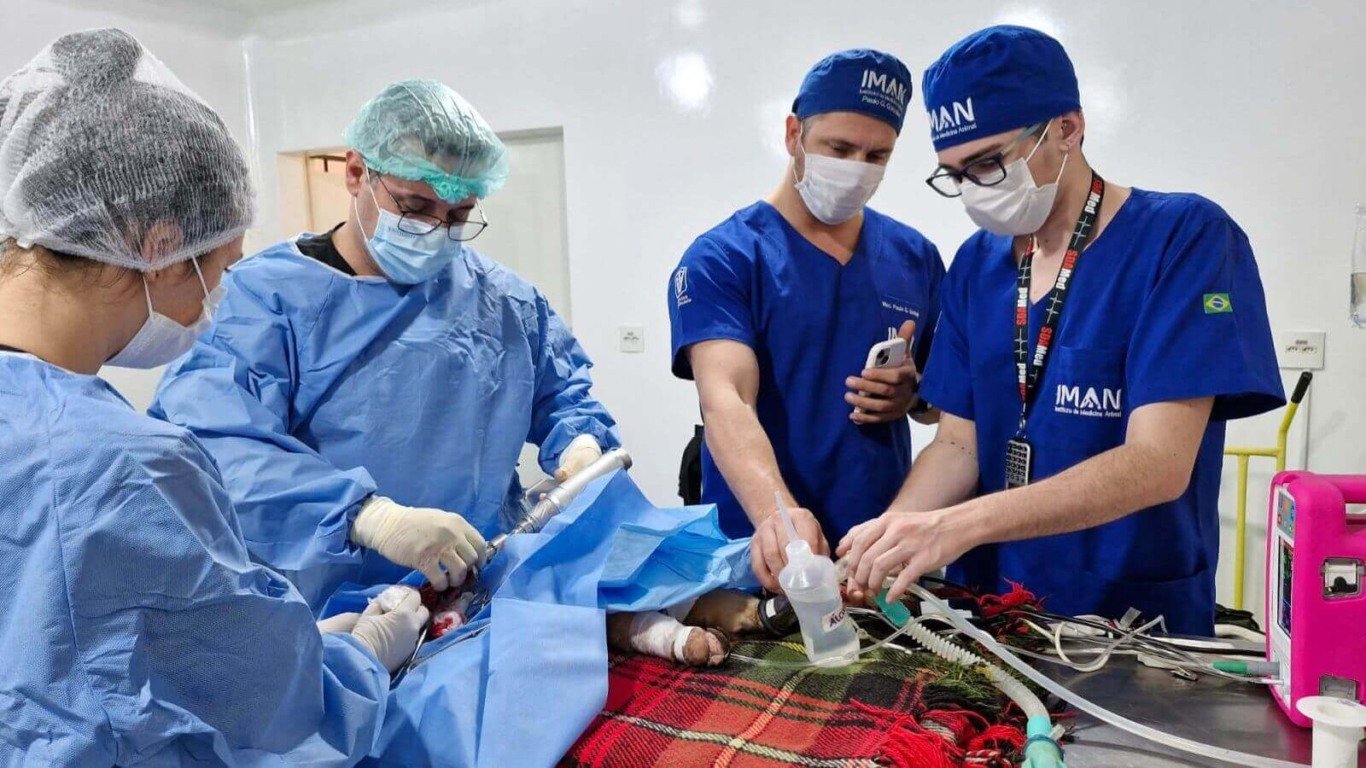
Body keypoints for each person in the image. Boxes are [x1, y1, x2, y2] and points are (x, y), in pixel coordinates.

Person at [0, 29, 428, 765]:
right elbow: (271, 720)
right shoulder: (119, 466)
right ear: (157, 244)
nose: (219, 295)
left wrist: (282, 639)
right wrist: (358, 659)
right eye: (219, 265)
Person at [840, 26, 1284, 635]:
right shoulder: (977, 265)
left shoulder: (1183, 240)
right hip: (996, 604)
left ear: (1067, 130)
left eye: (989, 163)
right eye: (955, 174)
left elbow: (1157, 461)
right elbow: (958, 445)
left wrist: (958, 525)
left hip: (1129, 615)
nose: (974, 190)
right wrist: (888, 537)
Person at [151, 78, 620, 609]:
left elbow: (561, 396)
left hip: (478, 590)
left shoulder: (504, 300)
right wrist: (367, 516)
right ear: (356, 174)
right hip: (326, 610)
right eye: (416, 206)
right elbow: (215, 444)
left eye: (458, 215)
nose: (436, 231)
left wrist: (581, 444)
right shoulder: (264, 299)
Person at [668, 49, 945, 593]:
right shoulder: (726, 257)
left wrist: (912, 397)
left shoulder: (915, 258)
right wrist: (779, 517)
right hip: (758, 552)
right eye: (839, 148)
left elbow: (943, 410)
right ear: (794, 133)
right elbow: (726, 399)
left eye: (877, 155)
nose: (857, 168)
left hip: (875, 554)